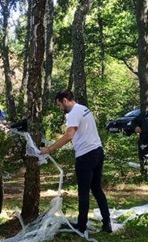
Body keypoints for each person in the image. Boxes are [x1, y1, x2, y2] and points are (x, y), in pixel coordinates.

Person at [40, 89, 112, 234]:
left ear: (65, 100)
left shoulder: (73, 113)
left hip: (86, 156)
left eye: (60, 105)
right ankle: (107, 223)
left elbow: (69, 135)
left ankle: (81, 226)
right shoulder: (84, 108)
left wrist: (50, 149)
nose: (60, 108)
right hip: (98, 151)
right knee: (97, 189)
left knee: (84, 191)